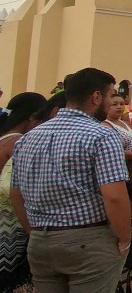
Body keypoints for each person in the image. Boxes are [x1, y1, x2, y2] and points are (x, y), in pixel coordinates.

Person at [10, 68, 131, 293]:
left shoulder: (29, 136)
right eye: (110, 95)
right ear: (96, 97)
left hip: (40, 240)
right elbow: (114, 195)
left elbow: (16, 193)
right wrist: (124, 238)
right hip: (87, 240)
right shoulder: (101, 135)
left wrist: (33, 231)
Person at [0, 92, 47, 291]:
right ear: (32, 116)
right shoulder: (18, 143)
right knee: (9, 275)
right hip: (12, 219)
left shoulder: (4, 137)